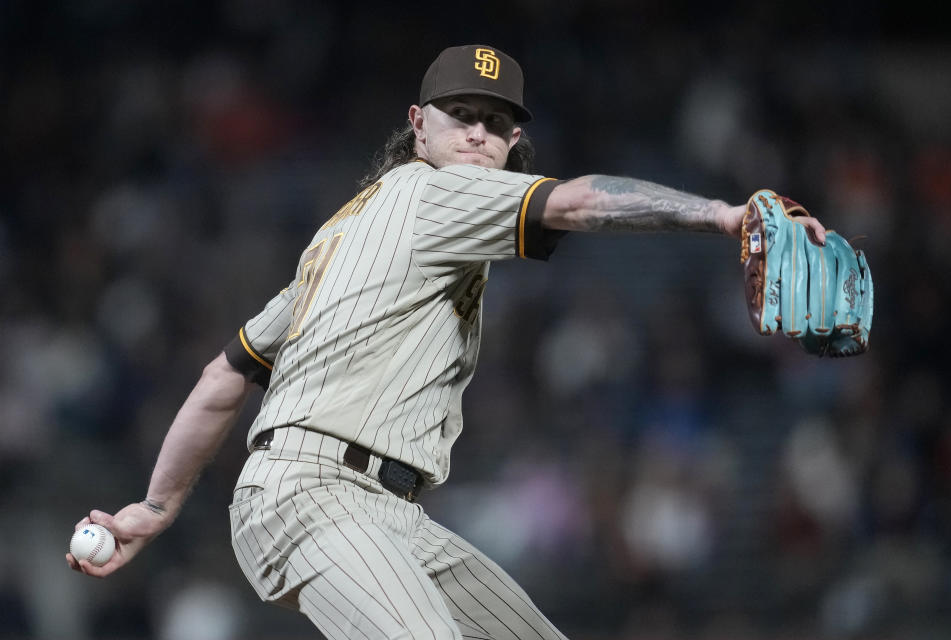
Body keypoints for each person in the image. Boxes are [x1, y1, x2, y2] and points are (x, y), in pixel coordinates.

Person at [68, 44, 827, 639]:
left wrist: (156, 506)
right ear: (417, 123)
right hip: (315, 498)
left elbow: (223, 376)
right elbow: (579, 200)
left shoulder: (341, 235)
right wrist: (723, 214)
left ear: (514, 138)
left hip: (380, 511)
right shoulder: (436, 191)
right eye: (460, 112)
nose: (477, 132)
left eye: (495, 122)